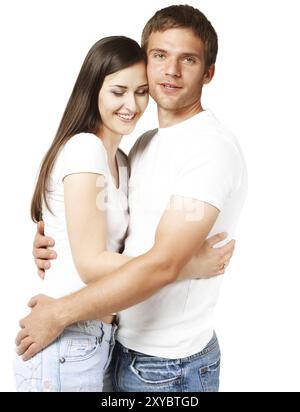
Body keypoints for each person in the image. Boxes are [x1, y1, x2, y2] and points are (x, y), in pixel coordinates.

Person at [16, 5, 246, 392]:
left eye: (187, 59)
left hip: (168, 364)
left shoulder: (209, 148)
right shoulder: (140, 147)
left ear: (208, 73)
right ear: (147, 60)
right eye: (159, 56)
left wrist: (60, 311)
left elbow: (161, 265)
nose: (170, 71)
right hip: (112, 344)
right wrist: (53, 244)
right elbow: (108, 245)